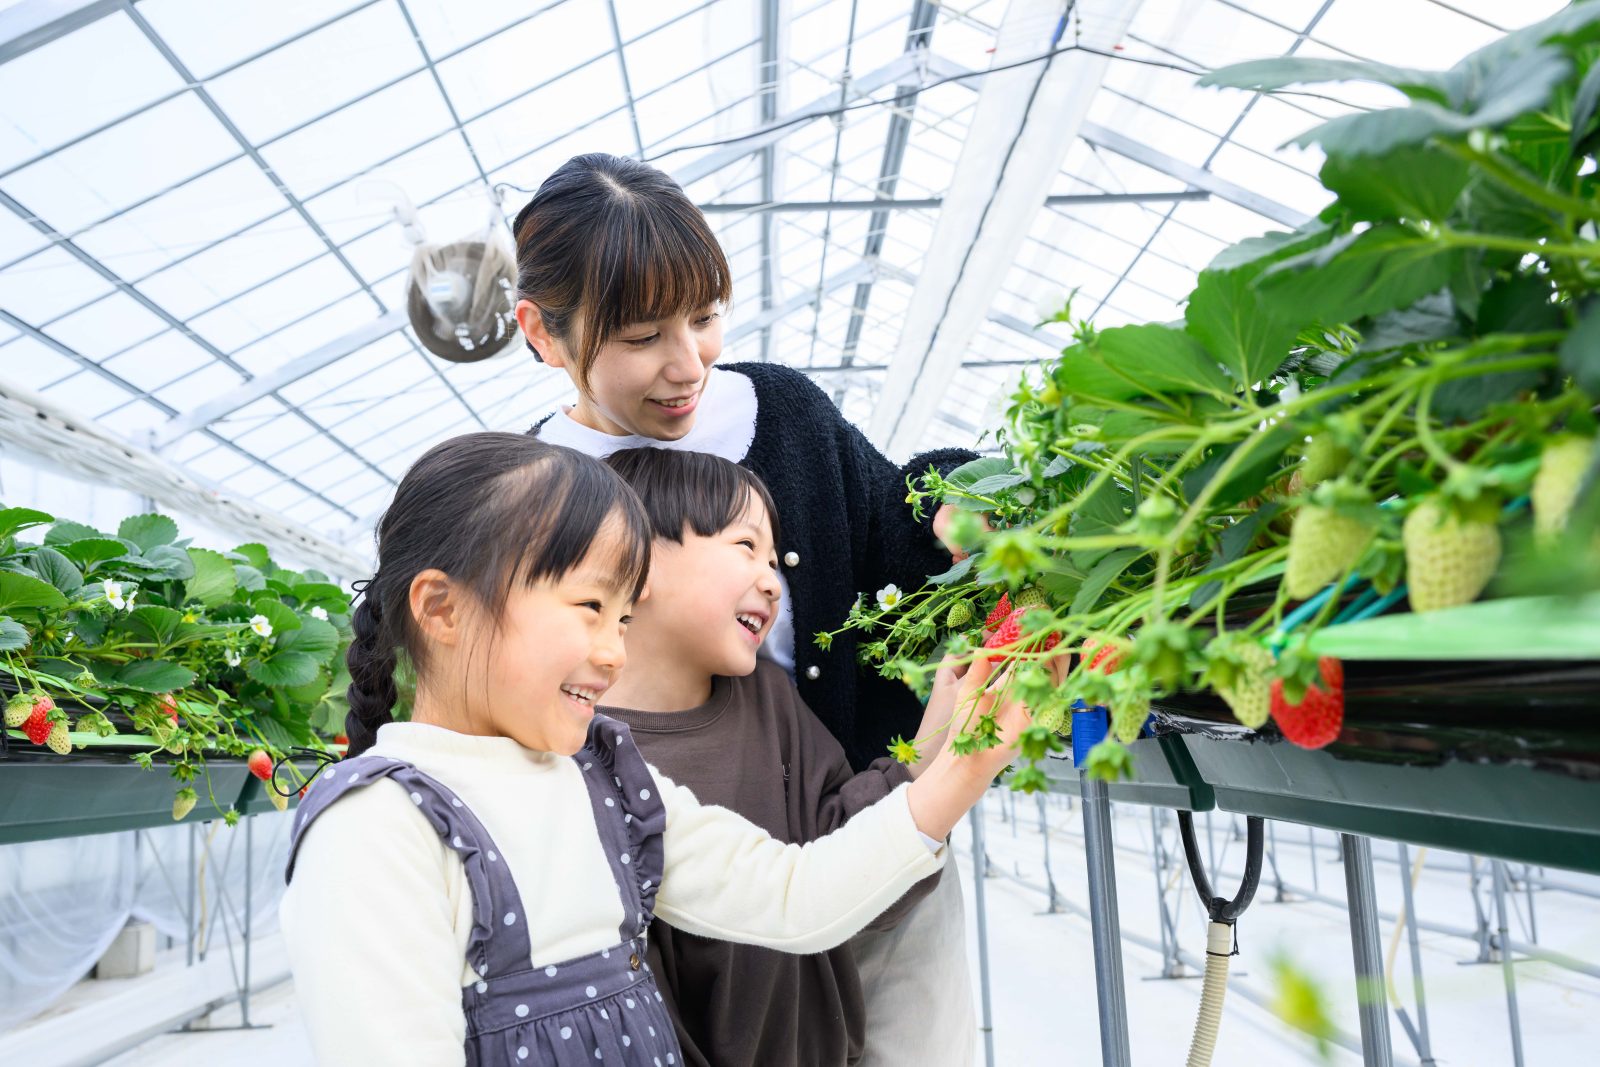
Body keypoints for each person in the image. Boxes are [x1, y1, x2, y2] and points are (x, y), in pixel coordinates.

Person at [277, 433, 1025, 1067]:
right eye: (590, 608)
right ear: (443, 608)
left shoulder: (607, 779)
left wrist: (965, 755)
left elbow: (797, 897)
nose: (612, 652)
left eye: (624, 615)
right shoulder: (379, 828)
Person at [512, 153, 980, 1064]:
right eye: (643, 335)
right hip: (673, 904)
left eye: (705, 316)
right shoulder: (526, 498)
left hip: (881, 834)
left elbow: (895, 518)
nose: (688, 364)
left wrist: (955, 504)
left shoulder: (786, 416)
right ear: (543, 333)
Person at [600, 447, 970, 1065]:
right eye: (746, 547)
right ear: (634, 562)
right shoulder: (583, 752)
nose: (774, 580)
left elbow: (848, 853)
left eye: (774, 560)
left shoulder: (768, 701)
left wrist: (939, 739)